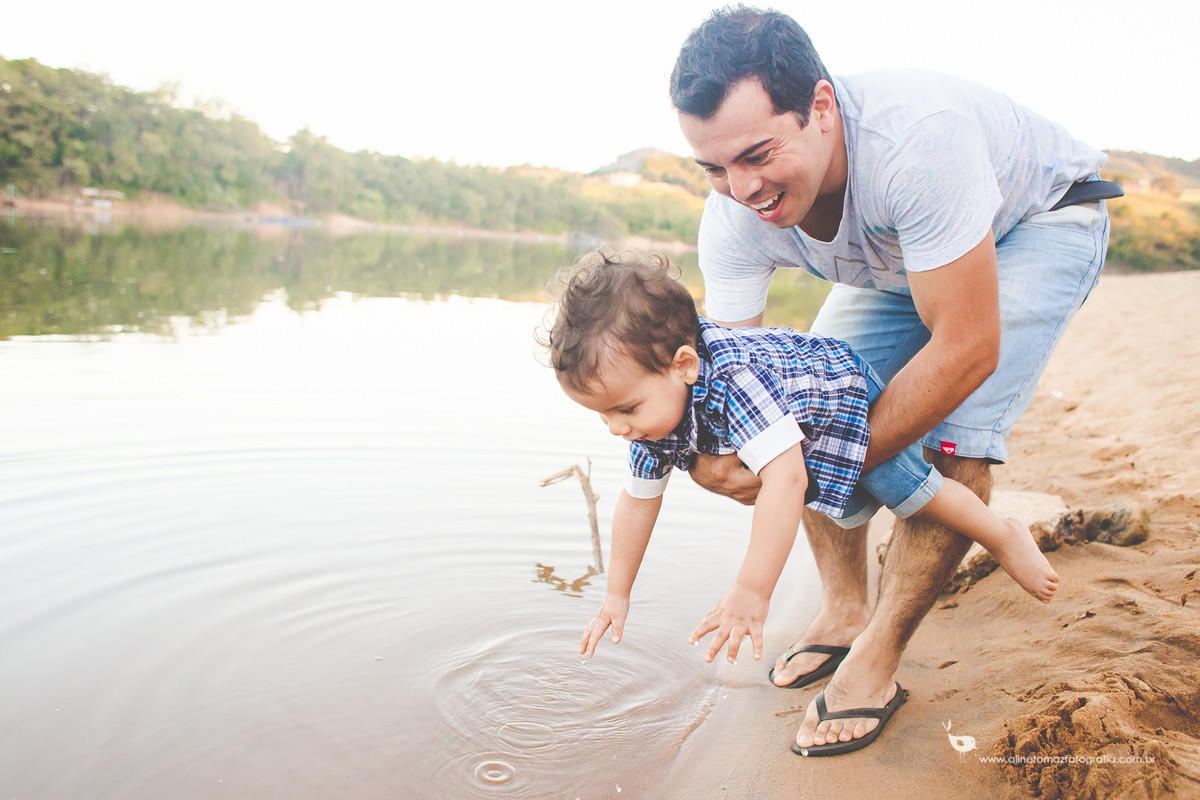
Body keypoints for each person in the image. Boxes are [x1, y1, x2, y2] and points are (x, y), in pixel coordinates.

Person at [668, 6, 1119, 756]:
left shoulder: (917, 144)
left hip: (1037, 223)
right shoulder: (735, 216)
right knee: (798, 409)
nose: (740, 188)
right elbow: (742, 387)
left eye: (756, 154)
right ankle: (844, 609)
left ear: (820, 107)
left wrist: (817, 457)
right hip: (898, 257)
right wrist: (712, 457)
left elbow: (967, 348)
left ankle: (877, 658)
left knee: (952, 437)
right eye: (713, 167)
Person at [540, 249, 1059, 752]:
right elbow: (637, 502)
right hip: (799, 428)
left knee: (916, 495)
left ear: (684, 365)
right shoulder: (648, 419)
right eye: (602, 416)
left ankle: (1000, 532)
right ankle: (848, 611)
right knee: (863, 495)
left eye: (625, 408)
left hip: (845, 402)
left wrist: (751, 590)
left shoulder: (735, 381)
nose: (617, 429)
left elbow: (785, 483)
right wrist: (617, 593)